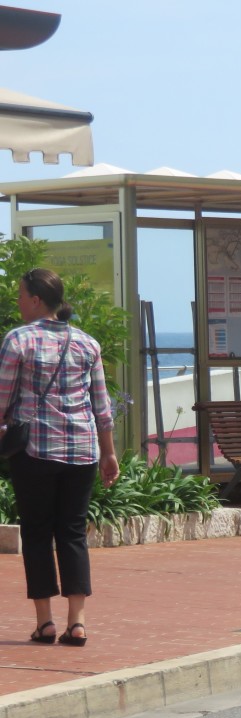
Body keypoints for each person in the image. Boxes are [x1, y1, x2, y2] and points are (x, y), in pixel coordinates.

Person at [0, 268, 119, 646]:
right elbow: (101, 405)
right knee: (71, 533)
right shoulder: (87, 343)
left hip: (34, 450)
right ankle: (78, 622)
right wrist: (109, 453)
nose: (18, 301)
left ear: (36, 299)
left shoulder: (18, 340)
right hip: (82, 451)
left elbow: (2, 400)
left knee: (37, 532)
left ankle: (45, 622)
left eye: (21, 295)